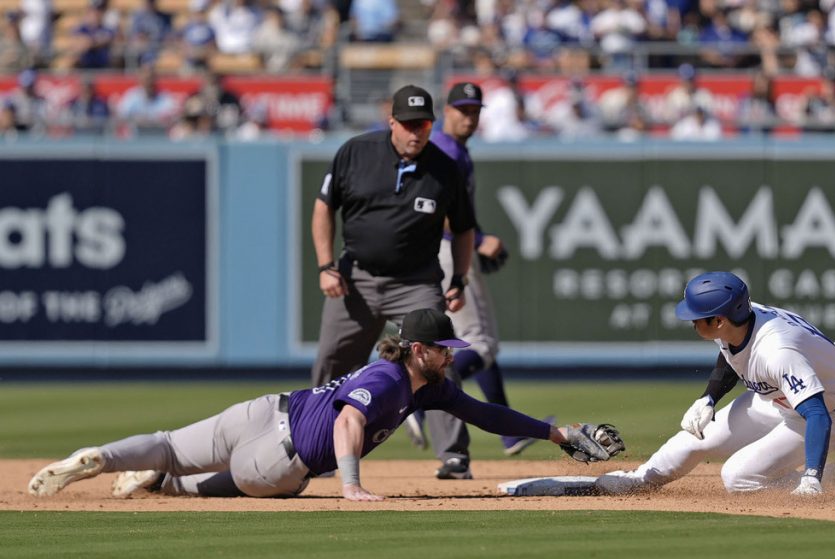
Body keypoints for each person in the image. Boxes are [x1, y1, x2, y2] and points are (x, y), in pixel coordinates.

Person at [28, 309, 624, 502]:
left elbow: (489, 416)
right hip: (279, 462)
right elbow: (351, 419)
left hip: (265, 410)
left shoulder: (429, 382)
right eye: (444, 349)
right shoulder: (394, 379)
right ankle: (163, 484)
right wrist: (352, 486)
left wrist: (557, 433)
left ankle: (103, 458)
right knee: (214, 484)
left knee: (167, 442)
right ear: (419, 349)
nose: (452, 356)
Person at [312, 84, 476, 479]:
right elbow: (324, 208)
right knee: (332, 362)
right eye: (408, 124)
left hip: (416, 281)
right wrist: (325, 265)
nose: (415, 132)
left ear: (431, 124)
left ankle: (454, 455)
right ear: (392, 122)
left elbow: (466, 228)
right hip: (358, 278)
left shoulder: (444, 167)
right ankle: (315, 450)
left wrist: (460, 277)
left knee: (436, 358)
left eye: (422, 124)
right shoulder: (356, 152)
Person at [596, 271, 835, 497]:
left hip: (834, 412)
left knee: (738, 477)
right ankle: (640, 480)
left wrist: (812, 477)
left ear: (718, 320)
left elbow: (817, 414)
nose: (691, 322)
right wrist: (709, 398)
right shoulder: (736, 322)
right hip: (777, 399)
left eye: (696, 317)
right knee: (692, 439)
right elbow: (732, 353)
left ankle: (809, 478)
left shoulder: (777, 352)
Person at [409, 81, 549, 462]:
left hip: (447, 248)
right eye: (462, 110)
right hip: (445, 250)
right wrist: (479, 239)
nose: (469, 118)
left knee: (479, 337)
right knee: (480, 342)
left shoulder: (455, 150)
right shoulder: (442, 150)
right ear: (446, 112)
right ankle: (415, 398)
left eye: (475, 111)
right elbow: (430, 208)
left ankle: (509, 434)